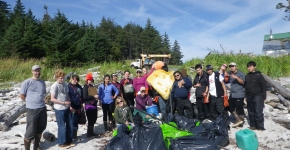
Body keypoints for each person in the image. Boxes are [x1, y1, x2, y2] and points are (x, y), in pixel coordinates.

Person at [20, 65, 47, 150]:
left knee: (41, 127)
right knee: (30, 130)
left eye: (38, 71)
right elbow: (22, 95)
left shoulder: (42, 82)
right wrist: (28, 103)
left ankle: (36, 147)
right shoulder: (27, 82)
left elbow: (43, 94)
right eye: (35, 71)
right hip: (32, 109)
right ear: (32, 71)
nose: (37, 72)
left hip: (42, 108)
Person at [50, 70, 74, 148]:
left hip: (66, 107)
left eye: (63, 78)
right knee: (62, 127)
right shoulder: (54, 86)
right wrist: (63, 103)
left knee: (70, 125)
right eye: (60, 78)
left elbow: (67, 95)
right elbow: (52, 99)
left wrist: (70, 105)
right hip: (59, 108)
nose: (62, 79)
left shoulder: (65, 84)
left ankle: (69, 140)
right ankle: (61, 143)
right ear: (57, 78)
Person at [245, 61, 267, 131]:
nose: (249, 68)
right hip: (249, 96)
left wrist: (264, 96)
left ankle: (260, 127)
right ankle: (253, 125)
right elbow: (246, 87)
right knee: (250, 112)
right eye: (248, 67)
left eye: (251, 66)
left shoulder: (259, 75)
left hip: (258, 96)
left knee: (258, 112)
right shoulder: (247, 76)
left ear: (254, 67)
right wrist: (245, 96)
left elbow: (264, 86)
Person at [228, 62, 246, 128]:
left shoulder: (240, 73)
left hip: (239, 93)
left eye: (233, 66)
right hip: (232, 94)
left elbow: (243, 82)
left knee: (239, 108)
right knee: (229, 106)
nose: (231, 68)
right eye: (230, 66)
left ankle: (241, 123)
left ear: (236, 67)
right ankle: (238, 119)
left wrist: (236, 77)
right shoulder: (230, 73)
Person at [82, 72, 98, 137]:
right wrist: (93, 97)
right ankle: (89, 133)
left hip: (94, 105)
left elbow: (95, 96)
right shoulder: (85, 87)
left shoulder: (92, 87)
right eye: (89, 80)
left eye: (91, 80)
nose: (90, 81)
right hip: (88, 105)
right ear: (87, 80)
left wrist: (96, 99)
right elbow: (85, 97)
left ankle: (92, 132)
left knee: (94, 119)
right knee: (90, 119)